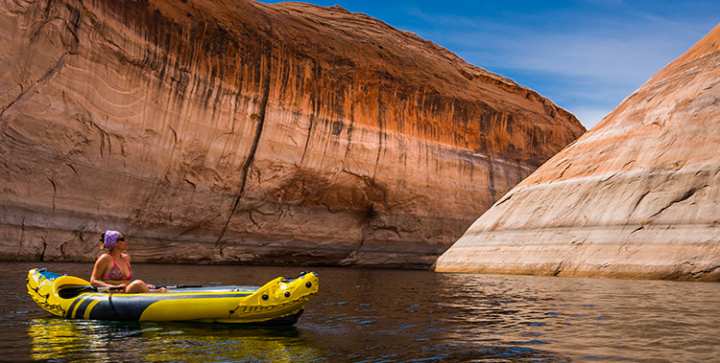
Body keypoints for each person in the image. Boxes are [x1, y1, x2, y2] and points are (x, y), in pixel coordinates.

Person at [90, 230, 163, 293]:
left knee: (142, 284)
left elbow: (125, 282)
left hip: (126, 291)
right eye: (122, 239)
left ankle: (154, 291)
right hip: (113, 292)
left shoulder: (126, 258)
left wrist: (145, 285)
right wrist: (112, 286)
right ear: (114, 243)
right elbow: (93, 281)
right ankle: (156, 293)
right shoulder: (105, 258)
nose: (125, 241)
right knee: (138, 284)